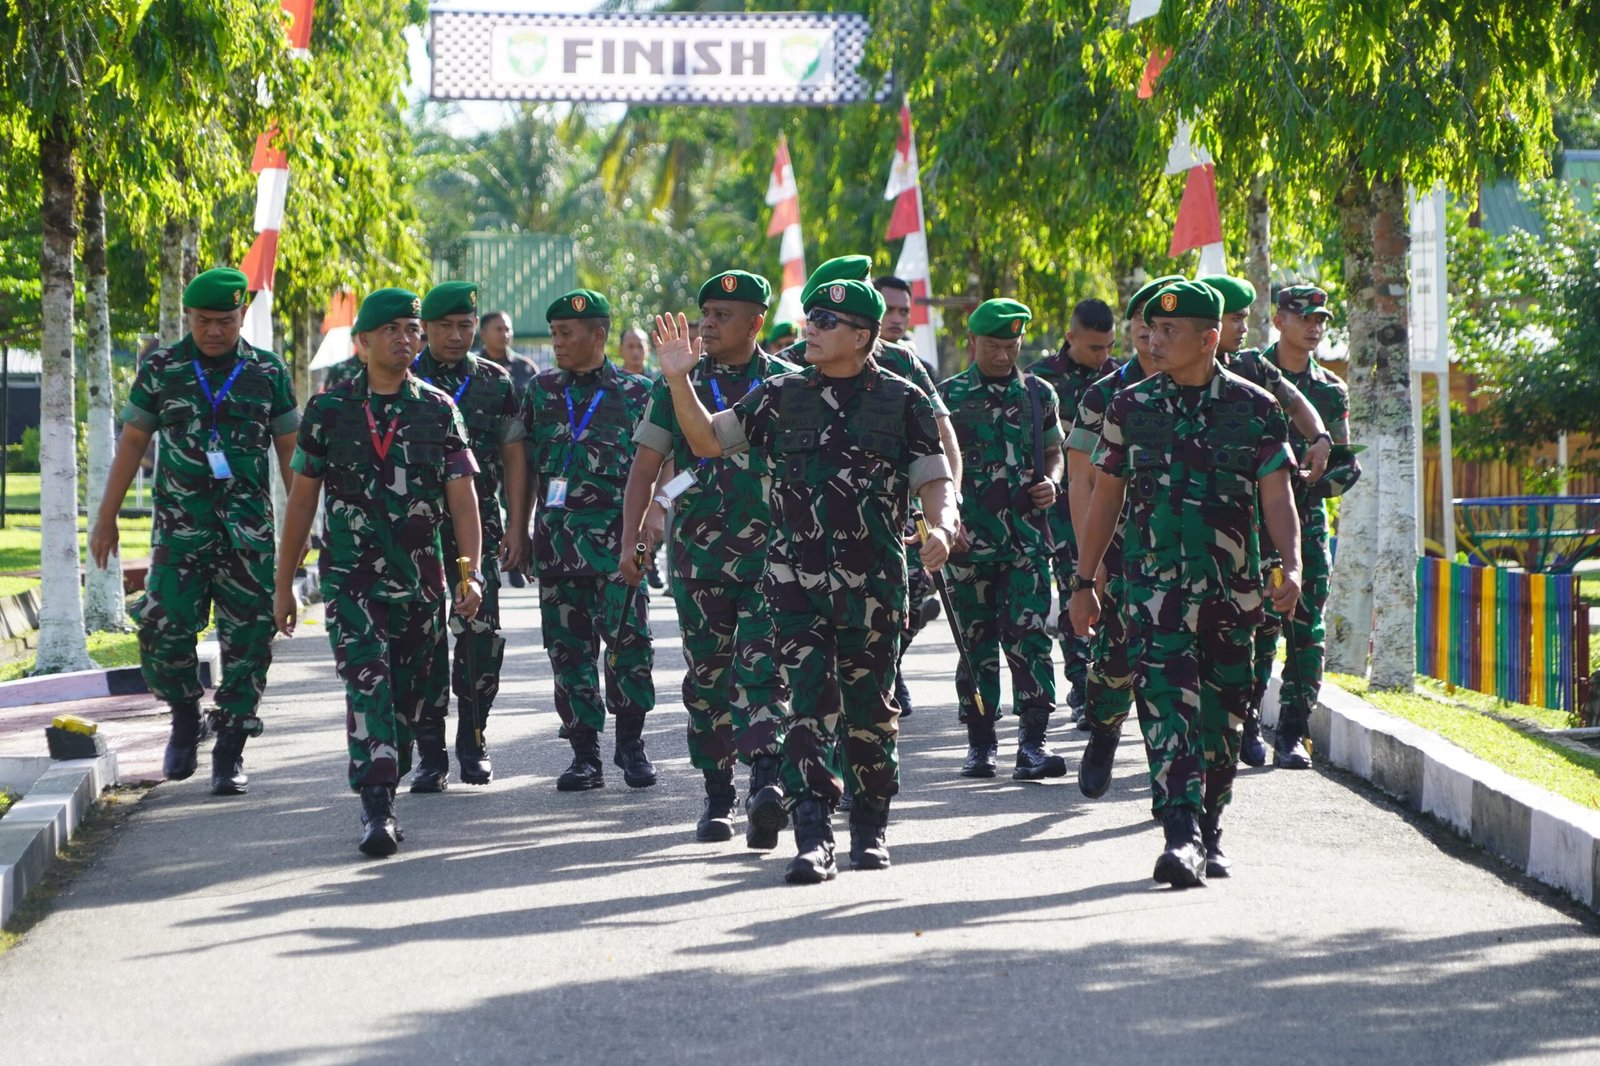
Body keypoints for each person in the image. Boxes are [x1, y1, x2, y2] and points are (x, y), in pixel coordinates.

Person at [655, 276, 958, 884]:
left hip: (873, 585)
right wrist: (678, 378)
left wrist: (943, 528)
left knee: (869, 711)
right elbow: (705, 441)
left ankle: (869, 827)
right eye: (811, 317)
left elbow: (936, 480)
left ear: (863, 336)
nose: (811, 328)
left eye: (826, 321)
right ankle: (813, 833)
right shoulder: (779, 395)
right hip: (792, 582)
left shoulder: (903, 401)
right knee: (808, 708)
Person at [1069, 281, 1302, 888]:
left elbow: (1277, 497)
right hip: (1153, 594)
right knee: (1167, 712)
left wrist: (1293, 565)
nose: (1155, 338)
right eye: (1151, 328)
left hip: (1232, 595)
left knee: (1222, 721)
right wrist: (1084, 579)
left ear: (1207, 339)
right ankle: (1179, 833)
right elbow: (1105, 499)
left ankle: (1211, 828)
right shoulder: (1129, 407)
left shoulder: (1255, 408)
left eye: (1170, 331)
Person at [273, 288, 485, 857]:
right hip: (351, 580)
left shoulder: (438, 409)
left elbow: (463, 500)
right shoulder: (328, 410)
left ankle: (398, 756)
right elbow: (301, 501)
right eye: (389, 330)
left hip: (421, 583)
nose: (404, 339)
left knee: (412, 693)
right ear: (362, 342)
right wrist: (283, 582)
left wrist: (472, 575)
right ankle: (377, 806)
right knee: (368, 681)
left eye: (411, 330)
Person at [89, 267, 299, 796]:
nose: (213, 331)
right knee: (161, 631)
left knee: (249, 645)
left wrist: (303, 536)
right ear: (189, 317)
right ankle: (186, 713)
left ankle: (230, 749)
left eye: (224, 321)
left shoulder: (268, 372)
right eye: (203, 321)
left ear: (241, 316)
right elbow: (133, 444)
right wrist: (106, 516)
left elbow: (293, 458)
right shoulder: (162, 368)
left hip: (248, 540)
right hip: (180, 537)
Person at [624, 269, 801, 846]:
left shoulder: (786, 385)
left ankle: (766, 784)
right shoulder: (675, 383)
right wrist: (633, 538)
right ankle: (717, 794)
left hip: (771, 560)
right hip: (698, 559)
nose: (709, 323)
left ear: (755, 323)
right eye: (706, 312)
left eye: (724, 315)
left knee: (763, 672)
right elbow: (647, 468)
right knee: (707, 680)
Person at [523, 289, 658, 791]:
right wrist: (518, 529)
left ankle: (632, 745)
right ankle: (585, 756)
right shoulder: (540, 392)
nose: (557, 342)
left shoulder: (639, 392)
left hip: (625, 547)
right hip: (557, 547)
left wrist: (651, 531)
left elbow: (667, 466)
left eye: (566, 334)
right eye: (554, 332)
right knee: (568, 651)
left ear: (598, 335)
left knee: (631, 645)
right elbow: (521, 464)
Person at [1199, 274, 1332, 766]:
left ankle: (1277, 730)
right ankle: (1240, 722)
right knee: (1236, 630)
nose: (1242, 327)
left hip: (1272, 520)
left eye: (1243, 318)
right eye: (1233, 318)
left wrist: (1318, 439)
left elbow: (1299, 405)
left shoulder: (1255, 368)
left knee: (1283, 623)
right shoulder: (1174, 374)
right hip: (1213, 526)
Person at [405, 281, 528, 790]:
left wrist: (520, 525)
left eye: (465, 325)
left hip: (480, 528)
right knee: (423, 642)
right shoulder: (402, 379)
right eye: (444, 327)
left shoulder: (496, 382)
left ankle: (473, 740)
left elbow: (516, 458)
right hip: (415, 534)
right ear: (426, 330)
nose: (457, 335)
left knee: (480, 639)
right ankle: (430, 752)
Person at [938, 299, 1067, 780]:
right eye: (993, 345)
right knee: (975, 645)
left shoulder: (1038, 395)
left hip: (1026, 543)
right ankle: (980, 744)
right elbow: (929, 469)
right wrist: (948, 522)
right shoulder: (947, 398)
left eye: (1011, 346)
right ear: (971, 342)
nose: (1003, 355)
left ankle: (1033, 744)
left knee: (1029, 638)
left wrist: (1052, 482)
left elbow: (1054, 451)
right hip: (969, 545)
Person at [1071, 276, 1179, 801]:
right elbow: (1082, 481)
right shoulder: (1106, 394)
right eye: (1141, 324)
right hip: (1120, 552)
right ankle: (1106, 730)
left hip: (1189, 557)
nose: (1149, 335)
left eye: (1158, 325)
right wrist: (1087, 565)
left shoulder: (1217, 389)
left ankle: (1176, 794)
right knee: (1115, 664)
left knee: (1178, 676)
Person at [1258, 285, 1360, 768]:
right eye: (1305, 318)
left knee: (1306, 631)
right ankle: (1240, 727)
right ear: (1279, 321)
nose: (1315, 326)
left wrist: (1321, 478)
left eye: (1321, 319)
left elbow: (1343, 464)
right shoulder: (1249, 376)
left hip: (1308, 526)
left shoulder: (1330, 390)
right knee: (1249, 629)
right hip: (1250, 526)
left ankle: (1293, 733)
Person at [1027, 297, 1120, 726]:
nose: (1102, 357)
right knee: (1074, 586)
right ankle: (1082, 685)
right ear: (1070, 339)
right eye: (1094, 348)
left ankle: (1107, 677)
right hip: (1062, 504)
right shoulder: (1039, 381)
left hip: (1112, 498)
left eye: (1108, 348)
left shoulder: (1120, 379)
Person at [478, 309, 536, 589]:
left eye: (508, 329)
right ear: (483, 333)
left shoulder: (525, 368)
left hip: (517, 451)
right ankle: (494, 556)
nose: (505, 334)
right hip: (485, 451)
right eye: (499, 329)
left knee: (514, 505)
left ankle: (514, 555)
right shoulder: (474, 369)